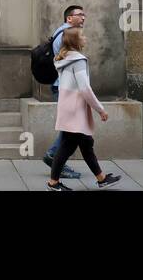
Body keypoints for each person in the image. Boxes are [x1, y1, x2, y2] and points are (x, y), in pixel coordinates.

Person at [47, 27, 121, 191]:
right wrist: (100, 109)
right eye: (82, 36)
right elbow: (85, 89)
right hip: (75, 108)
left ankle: (101, 178)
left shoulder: (64, 58)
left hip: (68, 106)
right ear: (75, 41)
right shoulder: (78, 60)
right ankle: (53, 183)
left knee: (85, 143)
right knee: (67, 146)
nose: (85, 38)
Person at [42, 4, 87, 179]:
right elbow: (69, 64)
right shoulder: (66, 35)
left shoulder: (62, 32)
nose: (83, 18)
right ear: (69, 18)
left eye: (84, 15)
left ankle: (56, 158)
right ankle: (53, 156)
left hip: (62, 85)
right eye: (79, 15)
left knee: (72, 127)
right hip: (65, 86)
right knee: (71, 128)